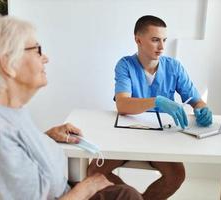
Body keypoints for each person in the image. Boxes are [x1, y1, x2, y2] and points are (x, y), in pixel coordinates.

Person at [0, 14, 143, 200]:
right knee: (127, 195)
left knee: (126, 194)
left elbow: (12, 157)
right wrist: (88, 187)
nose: (45, 58)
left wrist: (45, 138)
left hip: (60, 190)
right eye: (37, 50)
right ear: (7, 63)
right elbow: (0, 152)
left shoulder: (3, 108)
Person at [88, 15, 213, 200]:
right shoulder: (125, 65)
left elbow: (196, 100)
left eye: (164, 40)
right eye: (155, 40)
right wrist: (157, 101)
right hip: (127, 136)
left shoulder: (174, 67)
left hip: (160, 137)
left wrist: (203, 109)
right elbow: (122, 104)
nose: (162, 47)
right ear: (138, 40)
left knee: (176, 175)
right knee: (94, 171)